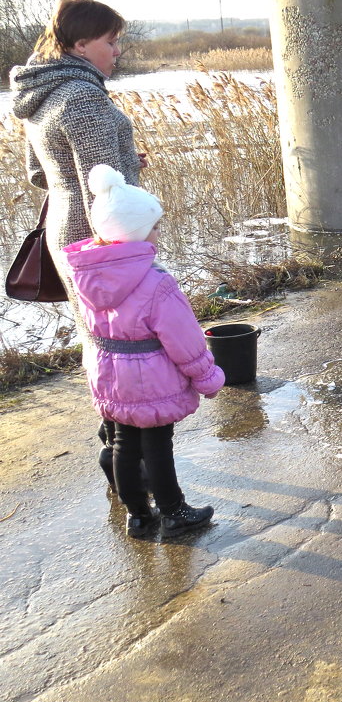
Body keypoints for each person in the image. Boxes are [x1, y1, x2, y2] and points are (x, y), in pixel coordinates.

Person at [8, 0, 147, 491]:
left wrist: (126, 165)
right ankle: (129, 462)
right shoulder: (84, 97)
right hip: (99, 236)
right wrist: (126, 245)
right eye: (111, 42)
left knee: (100, 342)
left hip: (63, 231)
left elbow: (39, 174)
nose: (117, 51)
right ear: (82, 44)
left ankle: (115, 450)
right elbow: (101, 193)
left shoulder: (40, 93)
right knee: (126, 348)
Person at [61, 165, 225, 538]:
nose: (159, 231)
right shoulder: (156, 282)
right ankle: (173, 511)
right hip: (150, 374)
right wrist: (208, 377)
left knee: (122, 440)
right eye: (154, 226)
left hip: (109, 371)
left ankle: (137, 515)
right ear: (135, 233)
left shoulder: (87, 274)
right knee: (157, 443)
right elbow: (184, 339)